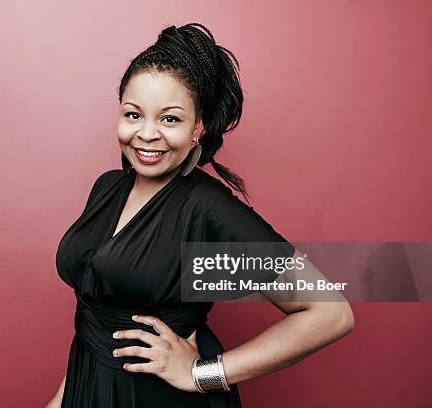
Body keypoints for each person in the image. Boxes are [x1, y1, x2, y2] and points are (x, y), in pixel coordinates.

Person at [46, 23, 354, 408]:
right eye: (133, 114)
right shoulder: (107, 187)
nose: (147, 133)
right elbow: (93, 319)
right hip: (89, 389)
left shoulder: (205, 207)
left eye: (170, 119)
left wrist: (201, 374)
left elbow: (330, 314)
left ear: (198, 128)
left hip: (157, 398)